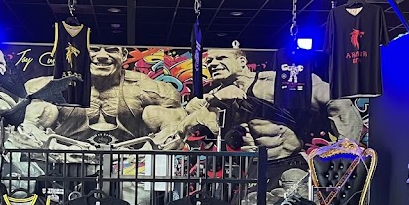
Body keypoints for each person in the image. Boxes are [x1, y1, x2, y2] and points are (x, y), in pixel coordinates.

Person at [184, 46, 363, 162]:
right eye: (209, 61)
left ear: (242, 61)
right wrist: (212, 100)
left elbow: (338, 102)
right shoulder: (215, 97)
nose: (213, 64)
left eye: (221, 58)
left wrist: (346, 149)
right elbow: (184, 128)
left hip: (288, 163)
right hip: (253, 169)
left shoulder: (271, 83)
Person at [21, 45, 194, 147]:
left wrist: (146, 154)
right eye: (94, 50)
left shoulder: (145, 87)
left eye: (111, 50)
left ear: (124, 55)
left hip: (129, 165)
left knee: (158, 113)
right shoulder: (53, 86)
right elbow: (28, 125)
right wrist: (58, 151)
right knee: (41, 107)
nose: (102, 56)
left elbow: (176, 122)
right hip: (68, 159)